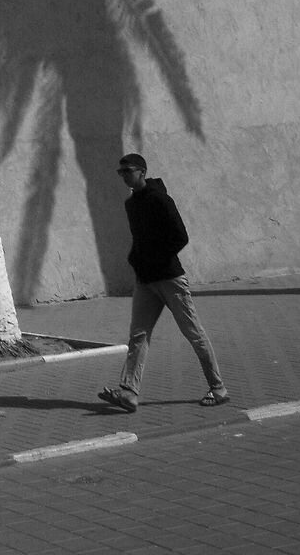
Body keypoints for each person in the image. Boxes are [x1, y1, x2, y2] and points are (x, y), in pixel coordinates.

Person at [97, 153, 229, 412]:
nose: (124, 175)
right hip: (146, 282)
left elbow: (180, 236)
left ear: (142, 172)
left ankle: (219, 388)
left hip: (170, 279)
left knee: (194, 334)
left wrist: (156, 259)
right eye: (121, 172)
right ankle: (129, 393)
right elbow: (139, 239)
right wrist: (136, 260)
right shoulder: (131, 204)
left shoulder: (161, 200)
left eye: (129, 170)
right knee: (138, 336)